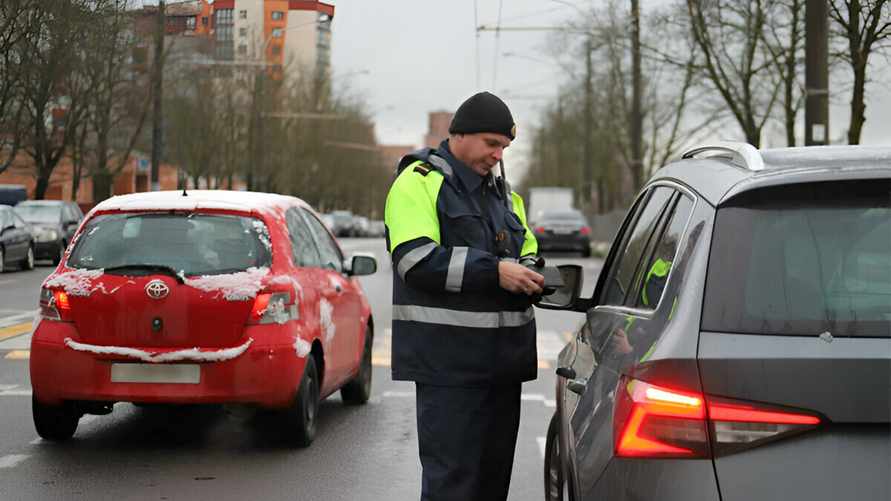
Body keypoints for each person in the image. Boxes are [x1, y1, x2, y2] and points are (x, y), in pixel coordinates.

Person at [384, 91, 545, 501]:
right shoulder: (418, 183)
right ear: (460, 135)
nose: (498, 155)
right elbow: (415, 260)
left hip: (503, 367)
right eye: (492, 144)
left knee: (492, 486)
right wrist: (495, 272)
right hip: (449, 368)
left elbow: (526, 249)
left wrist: (533, 273)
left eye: (505, 148)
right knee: (452, 487)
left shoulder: (507, 195)